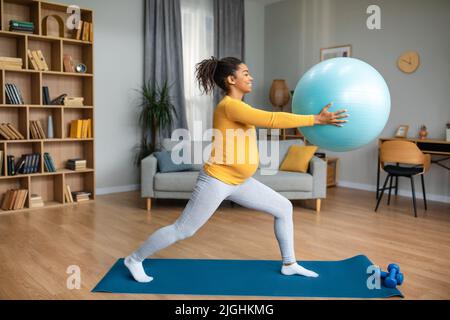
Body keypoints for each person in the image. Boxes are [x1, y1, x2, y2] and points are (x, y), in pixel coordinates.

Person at [125, 56, 348, 283]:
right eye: (246, 73)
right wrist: (316, 119)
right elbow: (272, 119)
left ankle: (289, 264)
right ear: (232, 79)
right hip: (217, 181)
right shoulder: (229, 107)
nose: (251, 77)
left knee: (283, 207)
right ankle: (134, 259)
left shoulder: (240, 106)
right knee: (184, 229)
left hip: (239, 182)